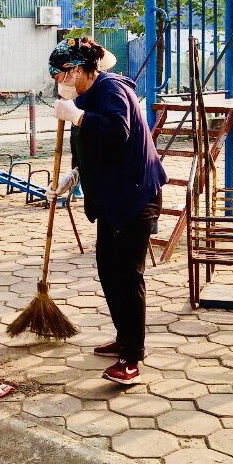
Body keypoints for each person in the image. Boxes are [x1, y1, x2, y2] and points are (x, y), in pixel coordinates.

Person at [46, 37, 167, 385]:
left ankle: (131, 358)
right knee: (108, 272)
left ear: (82, 70)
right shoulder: (83, 97)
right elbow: (89, 146)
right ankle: (124, 337)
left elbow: (118, 131)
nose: (59, 81)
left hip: (134, 196)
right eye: (55, 75)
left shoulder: (113, 90)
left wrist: (79, 117)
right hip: (111, 197)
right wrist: (73, 177)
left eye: (63, 73)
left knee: (127, 277)